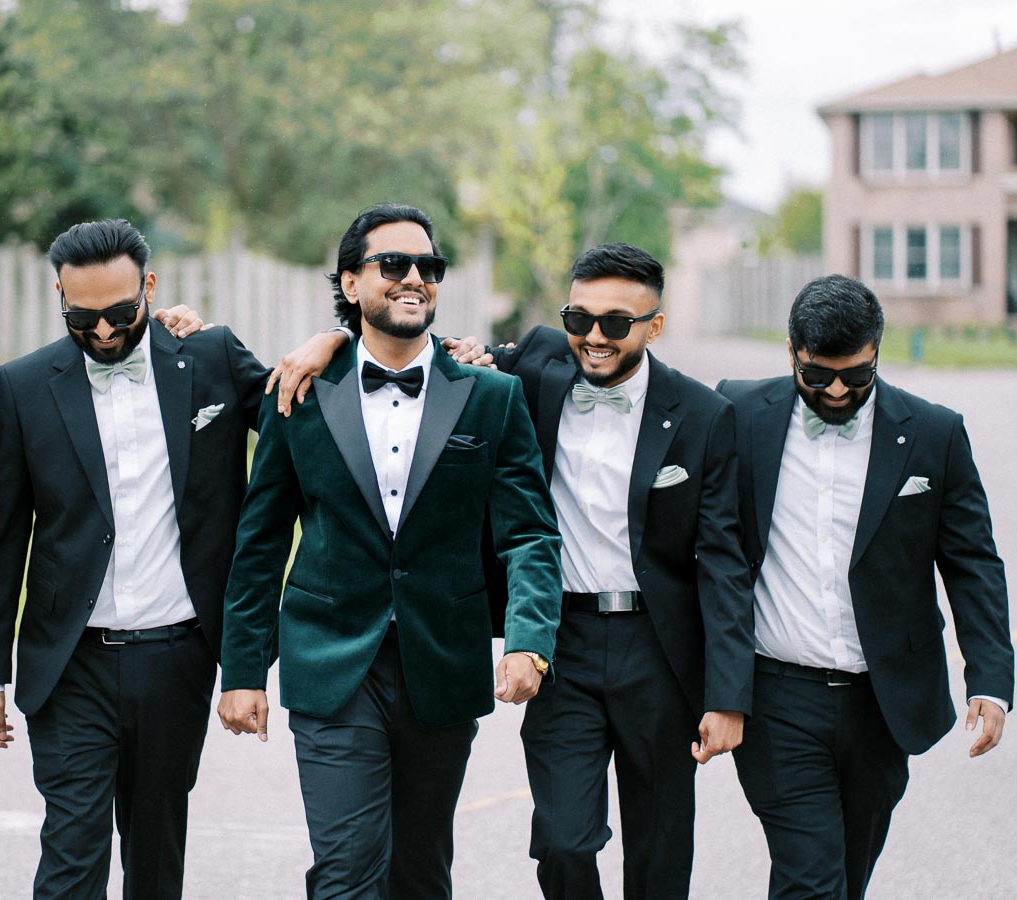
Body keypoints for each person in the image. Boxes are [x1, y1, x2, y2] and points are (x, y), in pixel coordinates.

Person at [0, 217, 342, 899]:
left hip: (178, 656)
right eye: (82, 317)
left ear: (150, 286)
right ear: (59, 296)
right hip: (70, 661)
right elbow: (2, 541)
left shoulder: (210, 356)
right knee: (71, 855)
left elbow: (302, 413)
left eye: (120, 313)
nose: (103, 332)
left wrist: (334, 339)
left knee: (156, 853)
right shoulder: (22, 386)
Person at [217, 202, 562, 899]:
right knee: (348, 870)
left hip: (443, 662)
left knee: (420, 873)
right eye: (393, 264)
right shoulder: (300, 393)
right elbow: (260, 540)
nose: (414, 278)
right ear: (350, 283)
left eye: (428, 266)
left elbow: (529, 533)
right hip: (331, 661)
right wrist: (242, 669)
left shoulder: (492, 397)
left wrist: (530, 640)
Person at [453, 242, 753, 898]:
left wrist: (727, 695)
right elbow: (411, 346)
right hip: (564, 643)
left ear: (654, 325)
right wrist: (328, 343)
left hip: (659, 651)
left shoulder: (704, 416)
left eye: (616, 322)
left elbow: (723, 562)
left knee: (659, 853)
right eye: (579, 318)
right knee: (562, 840)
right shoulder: (538, 365)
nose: (593, 336)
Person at [717, 274, 1013, 899]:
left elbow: (973, 564)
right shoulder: (739, 413)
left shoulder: (934, 432)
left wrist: (990, 679)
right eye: (817, 375)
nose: (836, 391)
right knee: (810, 879)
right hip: (776, 697)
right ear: (792, 352)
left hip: (882, 703)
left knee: (846, 878)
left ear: (878, 350)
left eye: (855, 375)